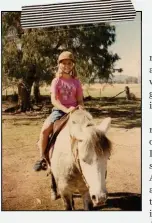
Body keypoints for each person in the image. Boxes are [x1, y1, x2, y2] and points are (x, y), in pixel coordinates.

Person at [33, 51, 84, 171]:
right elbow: (54, 101)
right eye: (64, 63)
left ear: (73, 65)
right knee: (45, 130)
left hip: (75, 111)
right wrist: (66, 109)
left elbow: (80, 100)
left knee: (90, 129)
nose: (66, 65)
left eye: (69, 63)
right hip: (59, 111)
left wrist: (81, 107)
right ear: (59, 65)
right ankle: (42, 158)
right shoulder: (56, 81)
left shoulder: (76, 82)